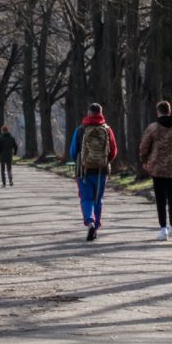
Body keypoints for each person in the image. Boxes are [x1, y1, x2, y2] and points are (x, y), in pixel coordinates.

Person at [139, 100, 172, 241]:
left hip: (157, 169)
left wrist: (144, 161)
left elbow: (144, 146)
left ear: (158, 111)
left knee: (161, 200)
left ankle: (163, 229)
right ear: (169, 111)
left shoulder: (153, 128)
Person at [67, 102, 117, 241]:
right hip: (101, 171)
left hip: (84, 171)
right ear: (101, 113)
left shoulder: (80, 129)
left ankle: (90, 221)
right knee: (98, 199)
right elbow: (113, 151)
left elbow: (72, 152)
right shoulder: (107, 129)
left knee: (86, 198)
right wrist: (105, 161)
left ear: (89, 113)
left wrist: (80, 160)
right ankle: (96, 225)